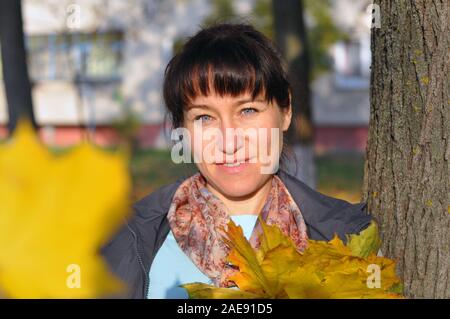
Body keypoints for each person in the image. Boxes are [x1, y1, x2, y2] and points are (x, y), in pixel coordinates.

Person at [102, 23, 373, 299]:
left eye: (248, 110)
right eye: (204, 117)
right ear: (181, 129)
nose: (229, 141)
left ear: (286, 111)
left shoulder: (348, 238)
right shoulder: (123, 240)